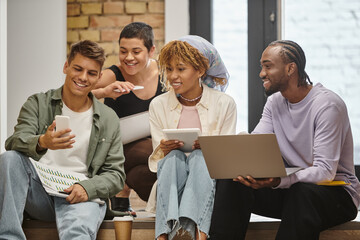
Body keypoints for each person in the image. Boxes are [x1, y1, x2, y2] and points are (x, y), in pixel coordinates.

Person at [209, 40, 360, 240]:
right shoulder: (274, 102)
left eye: (268, 66)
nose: (262, 73)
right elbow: (257, 146)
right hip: (292, 193)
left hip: (336, 195)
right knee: (233, 179)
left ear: (290, 69)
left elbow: (325, 172)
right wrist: (243, 155)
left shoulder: (327, 105)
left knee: (303, 192)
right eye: (261, 67)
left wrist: (281, 180)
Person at [0, 40, 125, 239]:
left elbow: (116, 175)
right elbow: (14, 141)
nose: (83, 77)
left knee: (76, 233)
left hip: (80, 195)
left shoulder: (109, 118)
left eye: (91, 73)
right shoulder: (38, 103)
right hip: (40, 194)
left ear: (100, 77)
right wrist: (42, 142)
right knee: (10, 159)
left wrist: (87, 188)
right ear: (66, 66)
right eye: (78, 69)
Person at [149, 35, 237, 240]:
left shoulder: (225, 104)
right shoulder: (158, 105)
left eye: (180, 69)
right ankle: (174, 236)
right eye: (169, 69)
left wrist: (209, 149)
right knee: (172, 159)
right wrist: (165, 148)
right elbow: (158, 164)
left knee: (200, 158)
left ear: (200, 70)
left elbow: (227, 161)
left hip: (210, 179)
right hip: (171, 176)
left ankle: (190, 234)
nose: (172, 76)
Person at [92, 22, 162, 214]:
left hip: (154, 148)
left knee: (140, 175)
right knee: (154, 152)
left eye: (136, 51)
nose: (128, 58)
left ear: (151, 51)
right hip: (116, 149)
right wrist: (104, 91)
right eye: (123, 51)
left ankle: (122, 189)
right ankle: (122, 191)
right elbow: (74, 96)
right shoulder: (112, 74)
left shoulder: (165, 75)